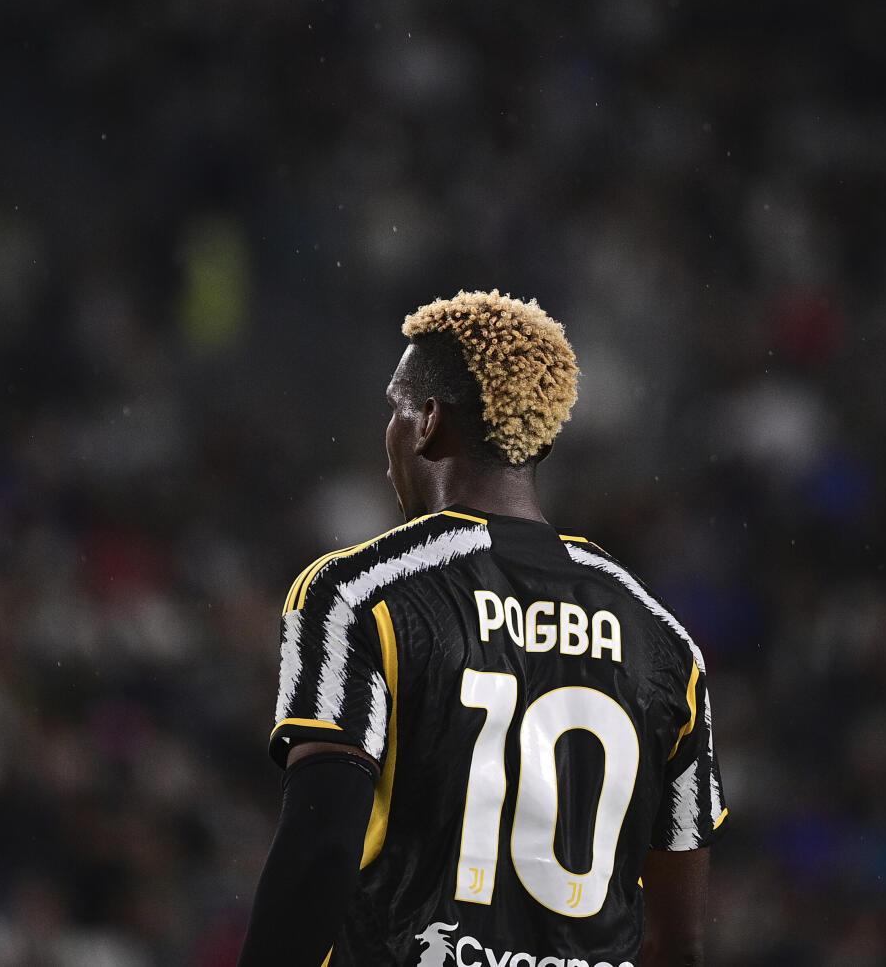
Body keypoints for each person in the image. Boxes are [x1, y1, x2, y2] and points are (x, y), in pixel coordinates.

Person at [239, 290, 726, 967]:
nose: (388, 438)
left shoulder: (360, 594)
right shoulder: (665, 640)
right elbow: (680, 942)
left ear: (429, 421)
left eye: (396, 408)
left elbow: (319, 850)